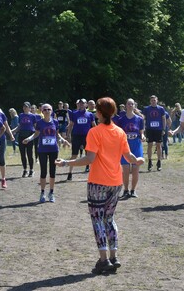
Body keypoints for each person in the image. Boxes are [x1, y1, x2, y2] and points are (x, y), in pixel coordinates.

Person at [56, 97, 144, 274]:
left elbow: (89, 159)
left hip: (98, 183)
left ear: (99, 112)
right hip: (116, 182)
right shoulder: (119, 132)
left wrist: (66, 163)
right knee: (109, 219)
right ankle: (113, 256)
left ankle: (104, 260)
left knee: (98, 220)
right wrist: (138, 160)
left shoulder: (94, 132)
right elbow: (129, 157)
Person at [23, 103, 69, 203]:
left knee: (53, 172)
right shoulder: (39, 123)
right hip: (42, 150)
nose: (47, 111)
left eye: (49, 109)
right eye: (45, 110)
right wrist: (28, 139)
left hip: (53, 150)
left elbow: (57, 135)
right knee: (43, 172)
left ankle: (51, 193)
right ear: (42, 112)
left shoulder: (56, 122)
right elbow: (36, 134)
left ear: (51, 111)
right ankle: (42, 193)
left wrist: (63, 141)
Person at [116, 99, 145, 198]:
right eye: (128, 104)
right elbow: (118, 133)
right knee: (126, 169)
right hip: (125, 146)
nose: (130, 105)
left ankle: (133, 190)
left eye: (132, 104)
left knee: (136, 168)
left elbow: (141, 131)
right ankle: (126, 190)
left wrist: (143, 136)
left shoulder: (139, 119)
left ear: (134, 106)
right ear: (125, 105)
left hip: (136, 145)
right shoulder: (121, 119)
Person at [65, 98, 96, 180]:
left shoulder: (90, 114)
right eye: (80, 103)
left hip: (87, 136)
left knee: (89, 154)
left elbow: (94, 125)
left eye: (83, 103)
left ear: (86, 105)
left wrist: (97, 136)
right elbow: (71, 124)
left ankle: (90, 169)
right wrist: (68, 135)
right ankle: (70, 173)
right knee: (74, 155)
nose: (82, 105)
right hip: (76, 136)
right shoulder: (74, 114)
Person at [12, 102, 38, 178]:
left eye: (27, 107)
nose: (25, 108)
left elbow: (35, 126)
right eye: (24, 106)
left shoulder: (33, 116)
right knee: (22, 154)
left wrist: (37, 134)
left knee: (29, 154)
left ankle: (31, 170)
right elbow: (19, 126)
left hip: (30, 135)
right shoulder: (21, 115)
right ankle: (25, 169)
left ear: (29, 108)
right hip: (21, 135)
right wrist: (13, 131)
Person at [142, 95, 166, 172]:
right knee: (150, 145)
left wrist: (163, 129)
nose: (153, 101)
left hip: (158, 129)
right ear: (150, 101)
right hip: (149, 129)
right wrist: (143, 129)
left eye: (154, 100)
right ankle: (149, 161)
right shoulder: (147, 109)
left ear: (157, 100)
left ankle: (159, 162)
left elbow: (164, 119)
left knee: (159, 145)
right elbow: (143, 119)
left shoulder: (161, 109)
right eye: (152, 100)